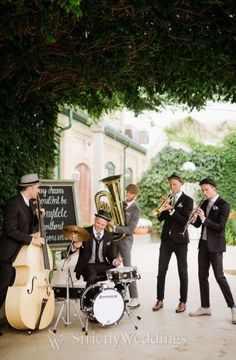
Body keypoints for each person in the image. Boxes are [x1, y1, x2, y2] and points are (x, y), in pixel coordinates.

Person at [0, 173, 45, 332]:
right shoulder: (13, 203)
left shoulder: (27, 204)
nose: (39, 191)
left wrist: (37, 217)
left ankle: (11, 316)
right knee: (2, 288)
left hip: (22, 256)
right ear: (30, 188)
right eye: (38, 188)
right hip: (9, 254)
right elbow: (10, 230)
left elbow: (28, 227)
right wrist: (33, 240)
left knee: (11, 288)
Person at [189, 177, 236, 324]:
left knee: (219, 276)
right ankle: (205, 307)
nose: (204, 192)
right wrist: (193, 219)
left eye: (206, 189)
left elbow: (220, 226)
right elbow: (198, 225)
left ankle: (233, 307)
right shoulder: (203, 202)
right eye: (202, 190)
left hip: (215, 246)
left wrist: (203, 218)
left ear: (214, 188)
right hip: (203, 245)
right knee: (202, 276)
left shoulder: (224, 204)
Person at [152, 172, 194, 313]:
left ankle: (183, 302)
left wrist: (171, 209)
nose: (172, 187)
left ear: (181, 184)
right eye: (170, 185)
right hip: (166, 240)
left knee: (182, 272)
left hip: (181, 241)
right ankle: (159, 300)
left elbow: (184, 221)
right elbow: (160, 219)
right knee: (161, 271)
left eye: (174, 184)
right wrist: (161, 208)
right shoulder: (168, 198)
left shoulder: (188, 200)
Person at [108, 183, 141, 309]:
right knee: (114, 265)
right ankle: (122, 292)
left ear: (135, 194)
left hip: (126, 240)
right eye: (127, 192)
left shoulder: (136, 209)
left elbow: (131, 229)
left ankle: (135, 297)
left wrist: (115, 226)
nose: (128, 195)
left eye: (131, 193)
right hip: (115, 238)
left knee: (128, 267)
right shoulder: (121, 204)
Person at [73, 210, 122, 288]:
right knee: (92, 276)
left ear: (106, 225)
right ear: (95, 220)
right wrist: (75, 246)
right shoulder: (84, 232)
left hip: (102, 264)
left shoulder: (108, 235)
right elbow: (69, 250)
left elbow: (110, 254)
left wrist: (115, 261)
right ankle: (88, 298)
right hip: (88, 264)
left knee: (118, 274)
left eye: (103, 225)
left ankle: (118, 295)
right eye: (98, 223)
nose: (99, 226)